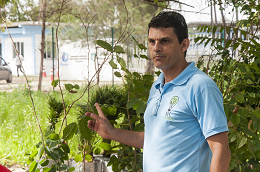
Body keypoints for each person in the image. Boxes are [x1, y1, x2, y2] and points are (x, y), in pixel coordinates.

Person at [85, 11, 230, 172]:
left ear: (184, 45)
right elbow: (155, 139)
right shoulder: (157, 86)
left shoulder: (200, 86)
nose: (156, 48)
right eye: (151, 41)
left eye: (164, 41)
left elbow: (220, 150)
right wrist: (112, 133)